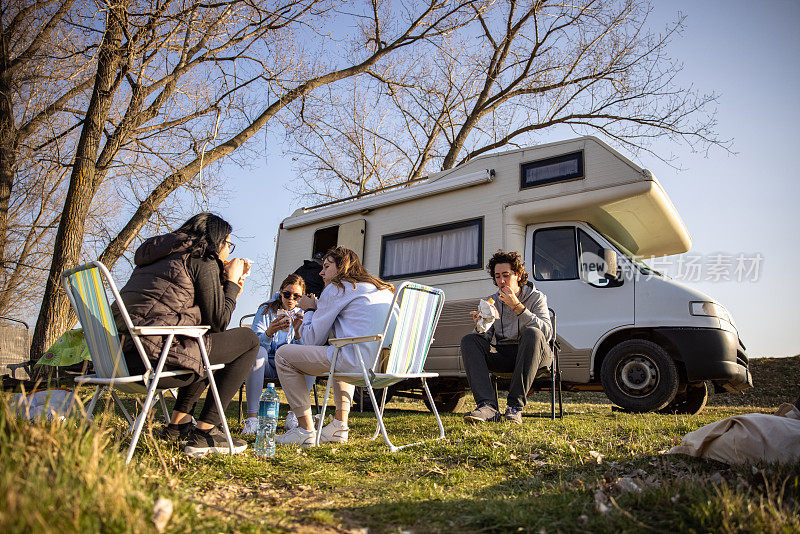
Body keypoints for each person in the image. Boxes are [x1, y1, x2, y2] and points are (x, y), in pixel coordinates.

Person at [112, 212, 258, 457]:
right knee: (249, 340)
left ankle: (177, 426)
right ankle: (205, 432)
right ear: (218, 241)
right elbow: (218, 323)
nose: (227, 252)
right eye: (228, 245)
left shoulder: (156, 257)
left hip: (119, 358)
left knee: (200, 347)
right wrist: (232, 284)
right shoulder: (202, 259)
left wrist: (221, 282)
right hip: (153, 362)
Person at [274, 246, 394, 446]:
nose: (321, 272)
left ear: (342, 268)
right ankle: (339, 425)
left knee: (283, 354)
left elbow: (312, 340)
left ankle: (304, 430)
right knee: (341, 347)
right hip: (387, 366)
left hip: (358, 363)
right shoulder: (381, 289)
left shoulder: (338, 287)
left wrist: (311, 309)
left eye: (327, 266)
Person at [460, 250, 553, 425]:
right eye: (497, 276)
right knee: (469, 340)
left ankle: (514, 407)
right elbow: (485, 338)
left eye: (506, 275)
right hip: (505, 353)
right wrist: (481, 324)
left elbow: (547, 333)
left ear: (517, 275)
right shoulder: (492, 301)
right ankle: (488, 407)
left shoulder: (536, 297)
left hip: (535, 354)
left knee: (533, 332)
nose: (501, 281)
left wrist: (518, 307)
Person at [241, 274, 315, 434]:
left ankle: (295, 415)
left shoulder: (304, 314)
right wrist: (269, 332)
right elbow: (253, 345)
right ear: (280, 292)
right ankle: (252, 419)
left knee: (311, 355)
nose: (291, 299)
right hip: (266, 365)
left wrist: (297, 333)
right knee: (258, 352)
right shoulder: (266, 310)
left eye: (297, 296)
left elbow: (301, 352)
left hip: (290, 367)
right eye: (287, 294)